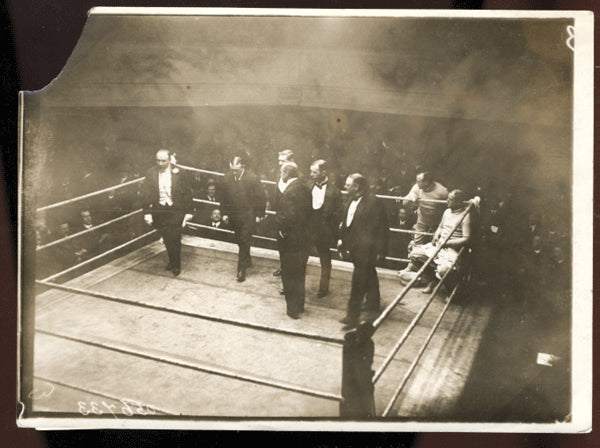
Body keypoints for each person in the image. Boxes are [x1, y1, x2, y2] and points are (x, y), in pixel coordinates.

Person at [338, 174, 389, 330]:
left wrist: (381, 250)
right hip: (354, 248)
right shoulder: (349, 200)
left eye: (348, 184)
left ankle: (352, 316)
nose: (345, 187)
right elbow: (347, 224)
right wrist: (342, 243)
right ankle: (373, 303)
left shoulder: (374, 203)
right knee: (369, 273)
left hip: (366, 250)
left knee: (358, 281)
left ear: (357, 187)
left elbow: (382, 228)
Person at [402, 189, 471, 293]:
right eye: (447, 198)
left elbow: (467, 239)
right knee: (415, 255)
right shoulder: (447, 211)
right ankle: (433, 280)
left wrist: (448, 243)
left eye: (450, 199)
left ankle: (453, 291)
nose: (447, 201)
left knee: (443, 270)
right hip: (440, 246)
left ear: (458, 202)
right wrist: (437, 234)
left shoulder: (465, 216)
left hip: (453, 250)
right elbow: (441, 226)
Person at [142, 149, 193, 276]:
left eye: (163, 161)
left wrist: (189, 212)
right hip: (159, 209)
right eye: (158, 160)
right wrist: (147, 212)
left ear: (169, 160)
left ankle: (176, 264)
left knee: (175, 237)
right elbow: (146, 194)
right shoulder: (150, 173)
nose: (160, 163)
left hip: (175, 209)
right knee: (166, 236)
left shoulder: (180, 172)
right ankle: (171, 260)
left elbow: (187, 193)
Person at [220, 154, 266, 282]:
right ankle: (247, 259)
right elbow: (223, 197)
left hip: (248, 216)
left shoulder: (253, 178)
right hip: (234, 215)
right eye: (232, 169)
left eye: (236, 170)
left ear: (243, 166)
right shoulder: (227, 178)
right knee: (239, 239)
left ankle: (241, 269)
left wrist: (259, 215)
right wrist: (224, 213)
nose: (234, 172)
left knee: (245, 239)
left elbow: (261, 198)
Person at [276, 162, 311, 319]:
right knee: (299, 273)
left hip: (290, 240)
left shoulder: (290, 192)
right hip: (303, 237)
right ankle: (300, 305)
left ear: (286, 174)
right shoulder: (305, 188)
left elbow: (288, 217)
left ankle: (293, 309)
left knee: (289, 274)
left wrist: (282, 231)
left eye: (281, 172)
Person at [308, 159, 343, 298]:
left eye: (314, 172)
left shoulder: (334, 192)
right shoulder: (308, 184)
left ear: (324, 172)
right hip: (307, 227)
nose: (311, 174)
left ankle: (324, 287)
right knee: (300, 256)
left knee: (325, 259)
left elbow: (339, 214)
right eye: (311, 171)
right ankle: (293, 286)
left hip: (324, 230)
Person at [402, 170, 448, 245]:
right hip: (422, 219)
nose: (417, 183)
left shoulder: (442, 191)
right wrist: (411, 196)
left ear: (426, 182)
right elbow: (404, 203)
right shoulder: (417, 187)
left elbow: (450, 205)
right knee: (417, 242)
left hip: (437, 221)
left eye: (419, 181)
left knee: (436, 242)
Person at [271, 149, 296, 277]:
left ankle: (289, 271)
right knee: (280, 244)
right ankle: (283, 266)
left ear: (291, 161)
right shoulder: (280, 174)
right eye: (279, 161)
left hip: (290, 217)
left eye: (283, 161)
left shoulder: (297, 177)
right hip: (279, 215)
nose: (280, 164)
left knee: (289, 246)